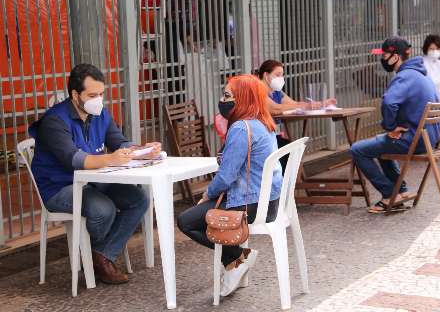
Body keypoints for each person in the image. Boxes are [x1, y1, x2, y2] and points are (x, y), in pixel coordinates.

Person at [29, 63, 162, 284]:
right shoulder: (54, 120)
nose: (98, 99)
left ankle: (100, 255)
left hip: (94, 181)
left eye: (101, 94)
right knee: (103, 209)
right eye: (92, 95)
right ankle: (98, 257)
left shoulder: (99, 113)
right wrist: (111, 158)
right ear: (75, 94)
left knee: (139, 199)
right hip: (59, 187)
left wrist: (141, 150)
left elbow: (118, 142)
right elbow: (73, 159)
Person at [177, 74, 283, 297]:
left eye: (227, 96)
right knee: (199, 214)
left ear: (243, 99)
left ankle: (235, 258)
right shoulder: (265, 123)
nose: (222, 100)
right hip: (269, 203)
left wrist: (207, 194)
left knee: (186, 221)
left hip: (248, 204)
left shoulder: (241, 129)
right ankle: (236, 259)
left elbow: (225, 178)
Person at [351, 37, 440, 213]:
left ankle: (389, 194)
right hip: (429, 138)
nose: (382, 59)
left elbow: (389, 102)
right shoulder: (420, 74)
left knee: (357, 150)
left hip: (416, 140)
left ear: (396, 57)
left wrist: (390, 127)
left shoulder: (404, 76)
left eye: (385, 55)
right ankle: (401, 190)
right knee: (383, 142)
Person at [256, 59, 336, 171]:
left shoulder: (277, 92)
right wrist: (303, 105)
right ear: (266, 75)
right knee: (286, 152)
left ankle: (286, 185)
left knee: (291, 150)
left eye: (282, 75)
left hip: (274, 135)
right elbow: (275, 109)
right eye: (277, 75)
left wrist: (321, 104)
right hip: (261, 138)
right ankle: (280, 185)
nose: (280, 79)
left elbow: (293, 104)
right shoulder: (257, 91)